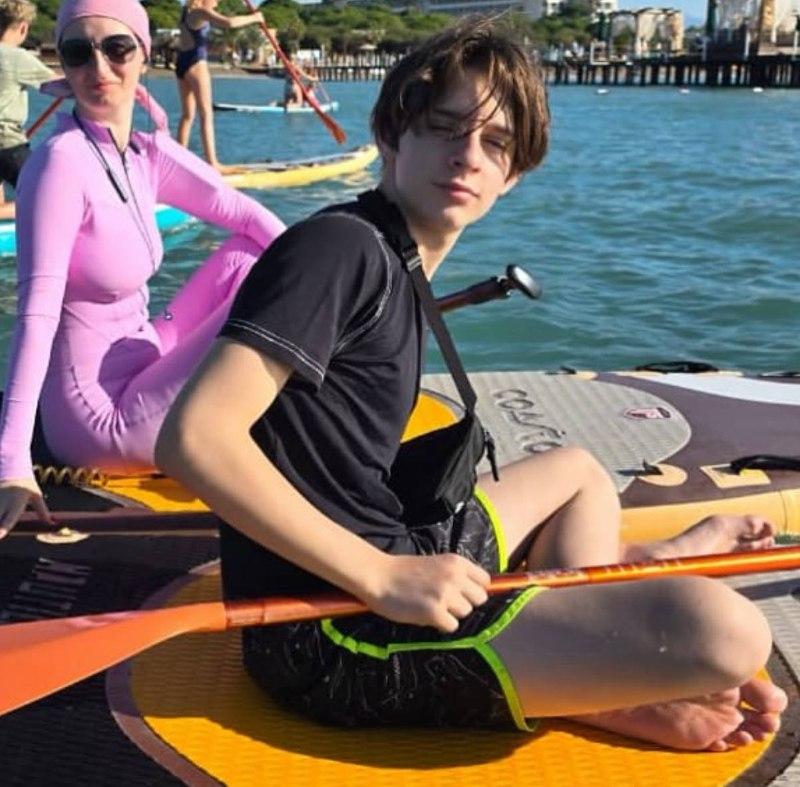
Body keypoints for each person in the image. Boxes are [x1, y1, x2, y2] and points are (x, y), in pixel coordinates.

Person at [156, 19, 787, 751]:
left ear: (513, 174)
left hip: (389, 549)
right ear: (393, 133)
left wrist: (396, 561)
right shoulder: (338, 249)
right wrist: (382, 575)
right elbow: (193, 438)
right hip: (327, 631)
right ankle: (603, 685)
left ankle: (597, 640)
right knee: (727, 632)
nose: (468, 156)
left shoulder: (394, 254)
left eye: (495, 143)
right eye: (445, 127)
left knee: (579, 472)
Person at [0, 0, 285, 535]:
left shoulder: (142, 154)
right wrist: (11, 463)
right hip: (98, 417)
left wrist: (332, 281)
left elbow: (246, 215)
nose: (99, 68)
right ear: (63, 64)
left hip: (145, 353)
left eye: (116, 48)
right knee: (279, 303)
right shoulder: (60, 163)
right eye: (78, 53)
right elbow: (35, 316)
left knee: (252, 259)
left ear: (144, 53)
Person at [175, 0, 263, 171]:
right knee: (206, 115)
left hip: (182, 64)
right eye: (214, 0)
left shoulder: (186, 12)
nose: (216, 4)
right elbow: (229, 23)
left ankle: (179, 159)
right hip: (196, 64)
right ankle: (213, 163)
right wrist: (255, 18)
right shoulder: (200, 12)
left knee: (187, 115)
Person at [0, 0, 56, 220]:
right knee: (49, 196)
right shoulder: (16, 57)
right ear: (22, 27)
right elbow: (59, 86)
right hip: (8, 145)